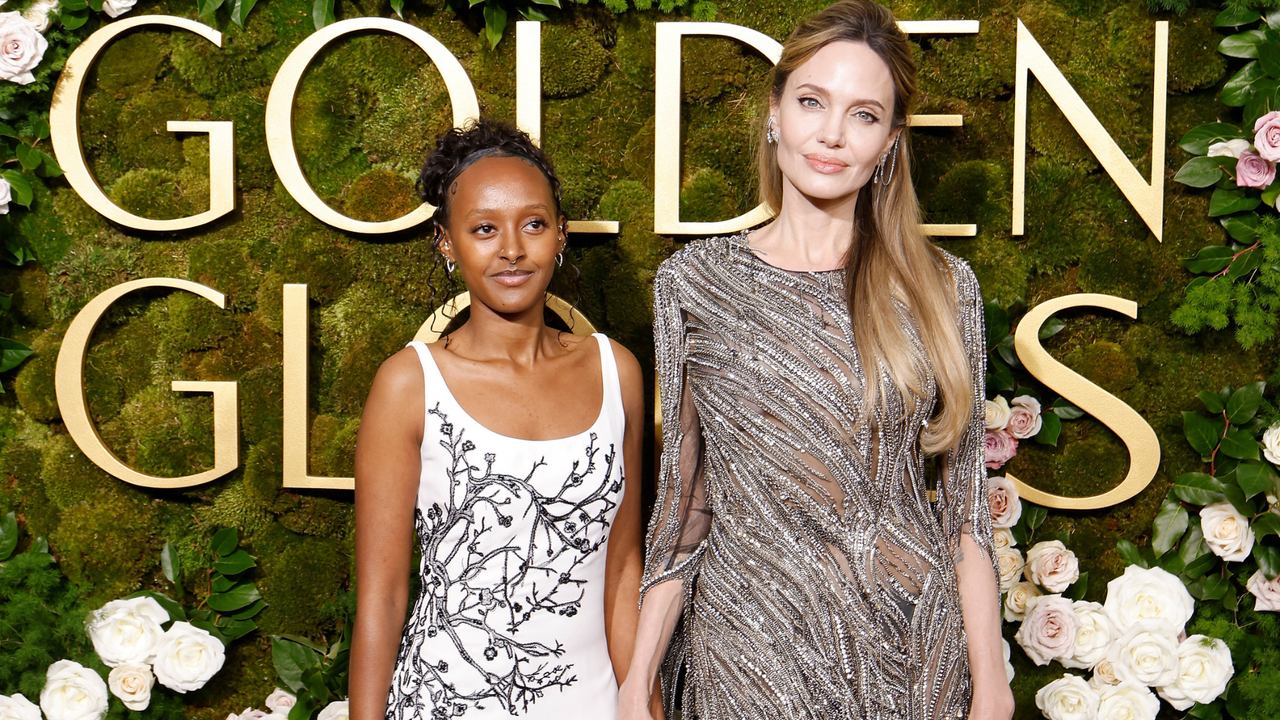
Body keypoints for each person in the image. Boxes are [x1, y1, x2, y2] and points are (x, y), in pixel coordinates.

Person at [617, 2, 1013, 719]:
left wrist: (993, 689)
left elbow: (964, 518)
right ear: (774, 113)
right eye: (811, 102)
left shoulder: (941, 286)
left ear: (891, 141)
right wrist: (636, 681)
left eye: (863, 115)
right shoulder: (694, 283)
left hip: (908, 652)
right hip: (750, 651)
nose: (831, 134)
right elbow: (685, 510)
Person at [350, 119, 648, 720]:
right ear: (447, 242)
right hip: (442, 703)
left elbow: (622, 575)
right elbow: (381, 599)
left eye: (533, 224)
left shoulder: (618, 373)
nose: (512, 249)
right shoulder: (409, 384)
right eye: (484, 229)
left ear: (560, 234)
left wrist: (646, 706)